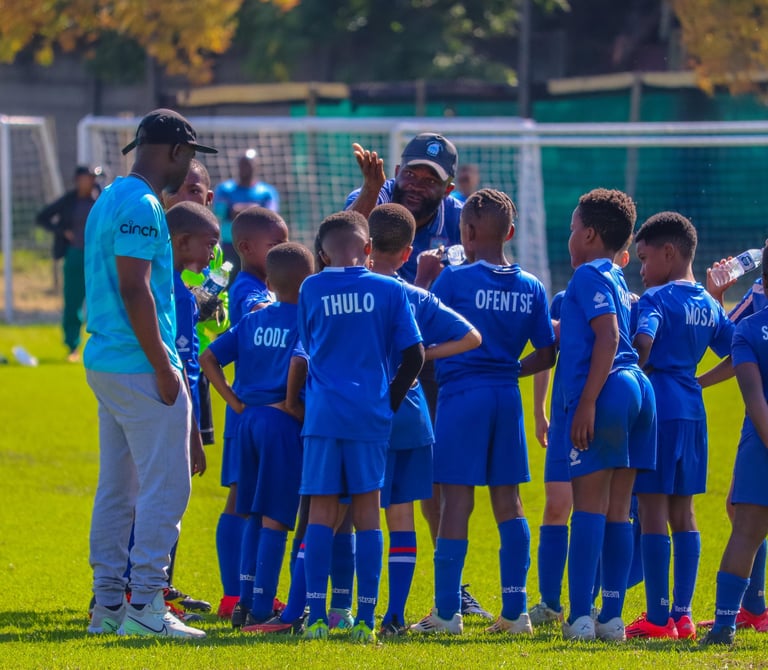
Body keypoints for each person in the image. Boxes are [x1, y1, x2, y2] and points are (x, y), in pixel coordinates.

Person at [83, 108, 216, 639]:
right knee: (166, 486)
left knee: (119, 487)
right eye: (187, 158)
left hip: (108, 361)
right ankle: (145, 607)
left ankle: (109, 606)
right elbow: (134, 287)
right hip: (140, 362)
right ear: (177, 153)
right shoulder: (141, 202)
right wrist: (164, 366)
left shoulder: (110, 197)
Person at [347, 132, 490, 618]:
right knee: (354, 479)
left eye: (429, 178)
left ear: (448, 188)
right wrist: (370, 190)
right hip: (367, 361)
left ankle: (452, 588)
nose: (415, 183)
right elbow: (346, 243)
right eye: (410, 172)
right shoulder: (376, 199)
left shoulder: (464, 217)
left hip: (428, 362)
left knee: (430, 479)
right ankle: (340, 595)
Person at [409, 189, 556, 636]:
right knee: (509, 503)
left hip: (461, 398)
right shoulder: (532, 286)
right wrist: (512, 368)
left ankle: (447, 613)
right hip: (506, 397)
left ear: (466, 233)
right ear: (510, 232)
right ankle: (516, 613)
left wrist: (425, 278)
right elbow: (548, 353)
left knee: (457, 501)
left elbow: (416, 330)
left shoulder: (454, 281)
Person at [298, 210, 424, 643]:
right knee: (369, 515)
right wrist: (387, 402)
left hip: (323, 415)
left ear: (321, 255)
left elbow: (309, 348)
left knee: (321, 512)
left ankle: (316, 616)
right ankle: (366, 622)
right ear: (369, 249)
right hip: (369, 415)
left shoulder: (311, 287)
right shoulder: (389, 289)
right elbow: (416, 356)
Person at [367, 203, 482, 637]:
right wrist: (423, 356)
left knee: (349, 515)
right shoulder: (415, 296)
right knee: (401, 517)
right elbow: (471, 336)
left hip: (356, 414)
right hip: (409, 414)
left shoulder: (347, 291)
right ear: (408, 252)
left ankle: (342, 610)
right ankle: (394, 615)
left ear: (366, 245)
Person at [622, 212, 734, 640]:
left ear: (669, 254)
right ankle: (683, 616)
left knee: (651, 511)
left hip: (658, 412)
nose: (643, 269)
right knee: (684, 513)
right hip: (692, 412)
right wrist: (698, 381)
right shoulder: (708, 303)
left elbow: (644, 342)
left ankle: (656, 616)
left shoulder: (653, 301)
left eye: (646, 259)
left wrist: (629, 369)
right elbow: (736, 350)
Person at [558, 188, 656, 642]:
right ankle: (612, 617)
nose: (570, 235)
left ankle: (580, 616)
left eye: (574, 227)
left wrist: (588, 401)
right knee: (620, 510)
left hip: (611, 389)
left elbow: (608, 335)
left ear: (591, 234)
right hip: (640, 390)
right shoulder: (617, 275)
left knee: (589, 508)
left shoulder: (585, 276)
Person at [200, 242, 313, 630]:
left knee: (248, 511)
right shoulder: (308, 321)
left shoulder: (254, 319)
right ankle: (264, 608)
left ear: (269, 281)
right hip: (281, 422)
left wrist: (234, 402)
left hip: (247, 421)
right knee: (277, 517)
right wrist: (289, 401)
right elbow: (302, 362)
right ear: (310, 281)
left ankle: (244, 600)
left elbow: (207, 357)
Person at [529, 243, 639, 627]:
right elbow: (548, 354)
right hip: (565, 416)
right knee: (558, 504)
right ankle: (550, 602)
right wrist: (540, 410)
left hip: (591, 408)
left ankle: (588, 605)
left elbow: (616, 344)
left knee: (598, 507)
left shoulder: (615, 291)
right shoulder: (566, 297)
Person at [215, 206, 289, 622]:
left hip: (254, 412)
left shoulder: (261, 285)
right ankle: (234, 593)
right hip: (250, 411)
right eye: (274, 246)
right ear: (245, 247)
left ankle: (246, 590)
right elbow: (256, 316)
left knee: (249, 500)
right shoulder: (248, 290)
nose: (281, 252)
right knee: (242, 501)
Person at [700, 244, 768, 646]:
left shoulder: (750, 328)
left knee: (744, 529)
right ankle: (754, 607)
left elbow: (754, 396)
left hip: (760, 440)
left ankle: (726, 623)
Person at [164, 159, 230, 448]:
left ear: (209, 198)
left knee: (189, 457)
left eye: (192, 190)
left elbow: (223, 321)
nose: (183, 199)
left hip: (196, 364)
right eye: (174, 190)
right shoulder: (156, 245)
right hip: (164, 364)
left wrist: (210, 306)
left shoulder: (212, 252)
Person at [35, 164, 101, 361]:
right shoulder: (69, 201)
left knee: (103, 301)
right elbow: (42, 217)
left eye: (93, 178)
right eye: (87, 177)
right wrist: (62, 232)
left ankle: (105, 347)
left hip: (98, 259)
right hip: (75, 256)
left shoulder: (102, 199)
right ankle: (73, 346)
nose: (90, 181)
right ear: (78, 180)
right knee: (73, 303)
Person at [214, 149, 280, 274]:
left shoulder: (267, 192)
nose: (245, 168)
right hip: (230, 244)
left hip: (258, 246)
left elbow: (269, 216)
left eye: (248, 164)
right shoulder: (225, 189)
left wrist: (238, 210)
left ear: (256, 166)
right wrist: (254, 209)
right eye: (242, 164)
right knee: (227, 281)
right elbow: (220, 213)